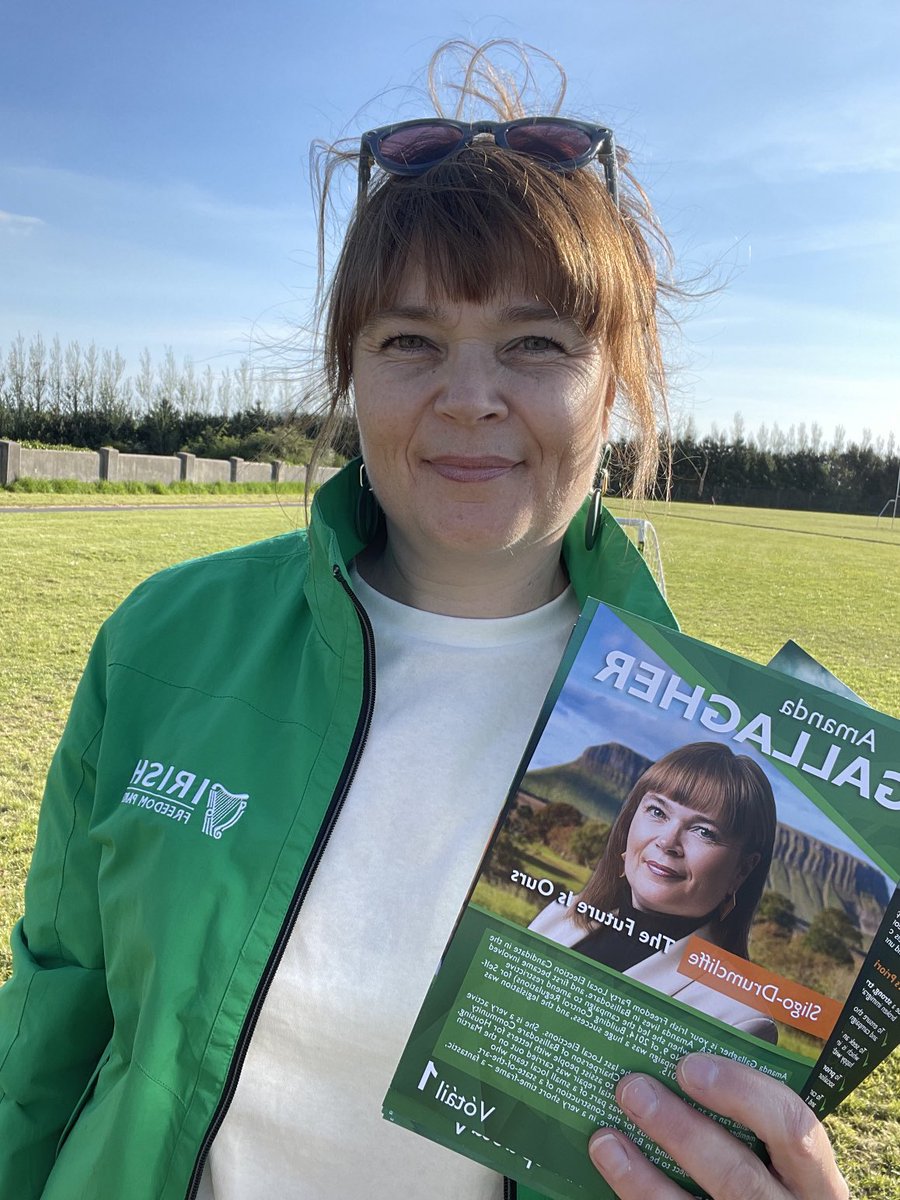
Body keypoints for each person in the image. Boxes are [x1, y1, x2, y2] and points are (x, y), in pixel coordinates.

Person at [0, 39, 848, 1200]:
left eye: (537, 343)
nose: (468, 397)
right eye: (409, 341)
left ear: (620, 382)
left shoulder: (702, 745)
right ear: (349, 368)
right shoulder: (165, 640)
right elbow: (50, 1028)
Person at [529, 742, 779, 1040]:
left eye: (704, 832)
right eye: (658, 811)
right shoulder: (562, 914)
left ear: (742, 870)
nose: (668, 841)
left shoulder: (742, 1020)